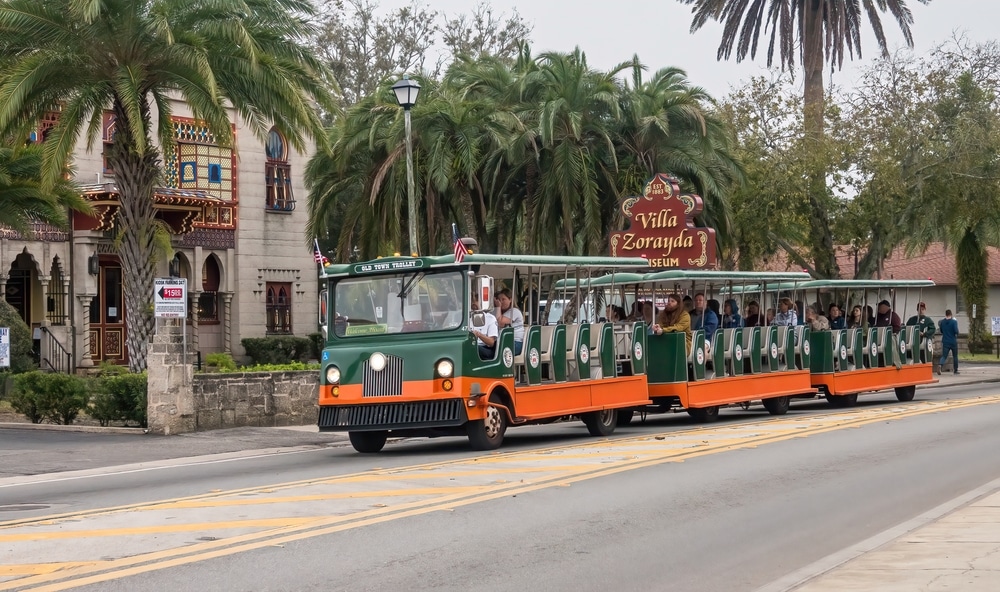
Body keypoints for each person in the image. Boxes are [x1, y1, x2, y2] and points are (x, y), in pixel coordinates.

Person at [470, 291, 499, 360]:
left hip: (485, 348)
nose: (473, 303)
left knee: (473, 348)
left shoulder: (490, 318)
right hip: (469, 346)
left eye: (476, 300)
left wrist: (479, 335)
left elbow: (491, 342)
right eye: (471, 301)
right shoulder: (465, 318)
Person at [496, 288, 524, 355]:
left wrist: (498, 307)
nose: (501, 302)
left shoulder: (514, 311)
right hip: (503, 341)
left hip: (515, 343)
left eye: (503, 299)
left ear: (510, 299)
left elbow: (500, 323)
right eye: (499, 300)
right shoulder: (502, 313)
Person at [938, 309, 959, 375]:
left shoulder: (942, 322)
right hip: (953, 341)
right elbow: (956, 331)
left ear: (945, 314)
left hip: (945, 341)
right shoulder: (954, 322)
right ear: (951, 314)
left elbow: (941, 331)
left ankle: (940, 365)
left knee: (944, 356)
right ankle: (955, 370)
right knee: (955, 356)